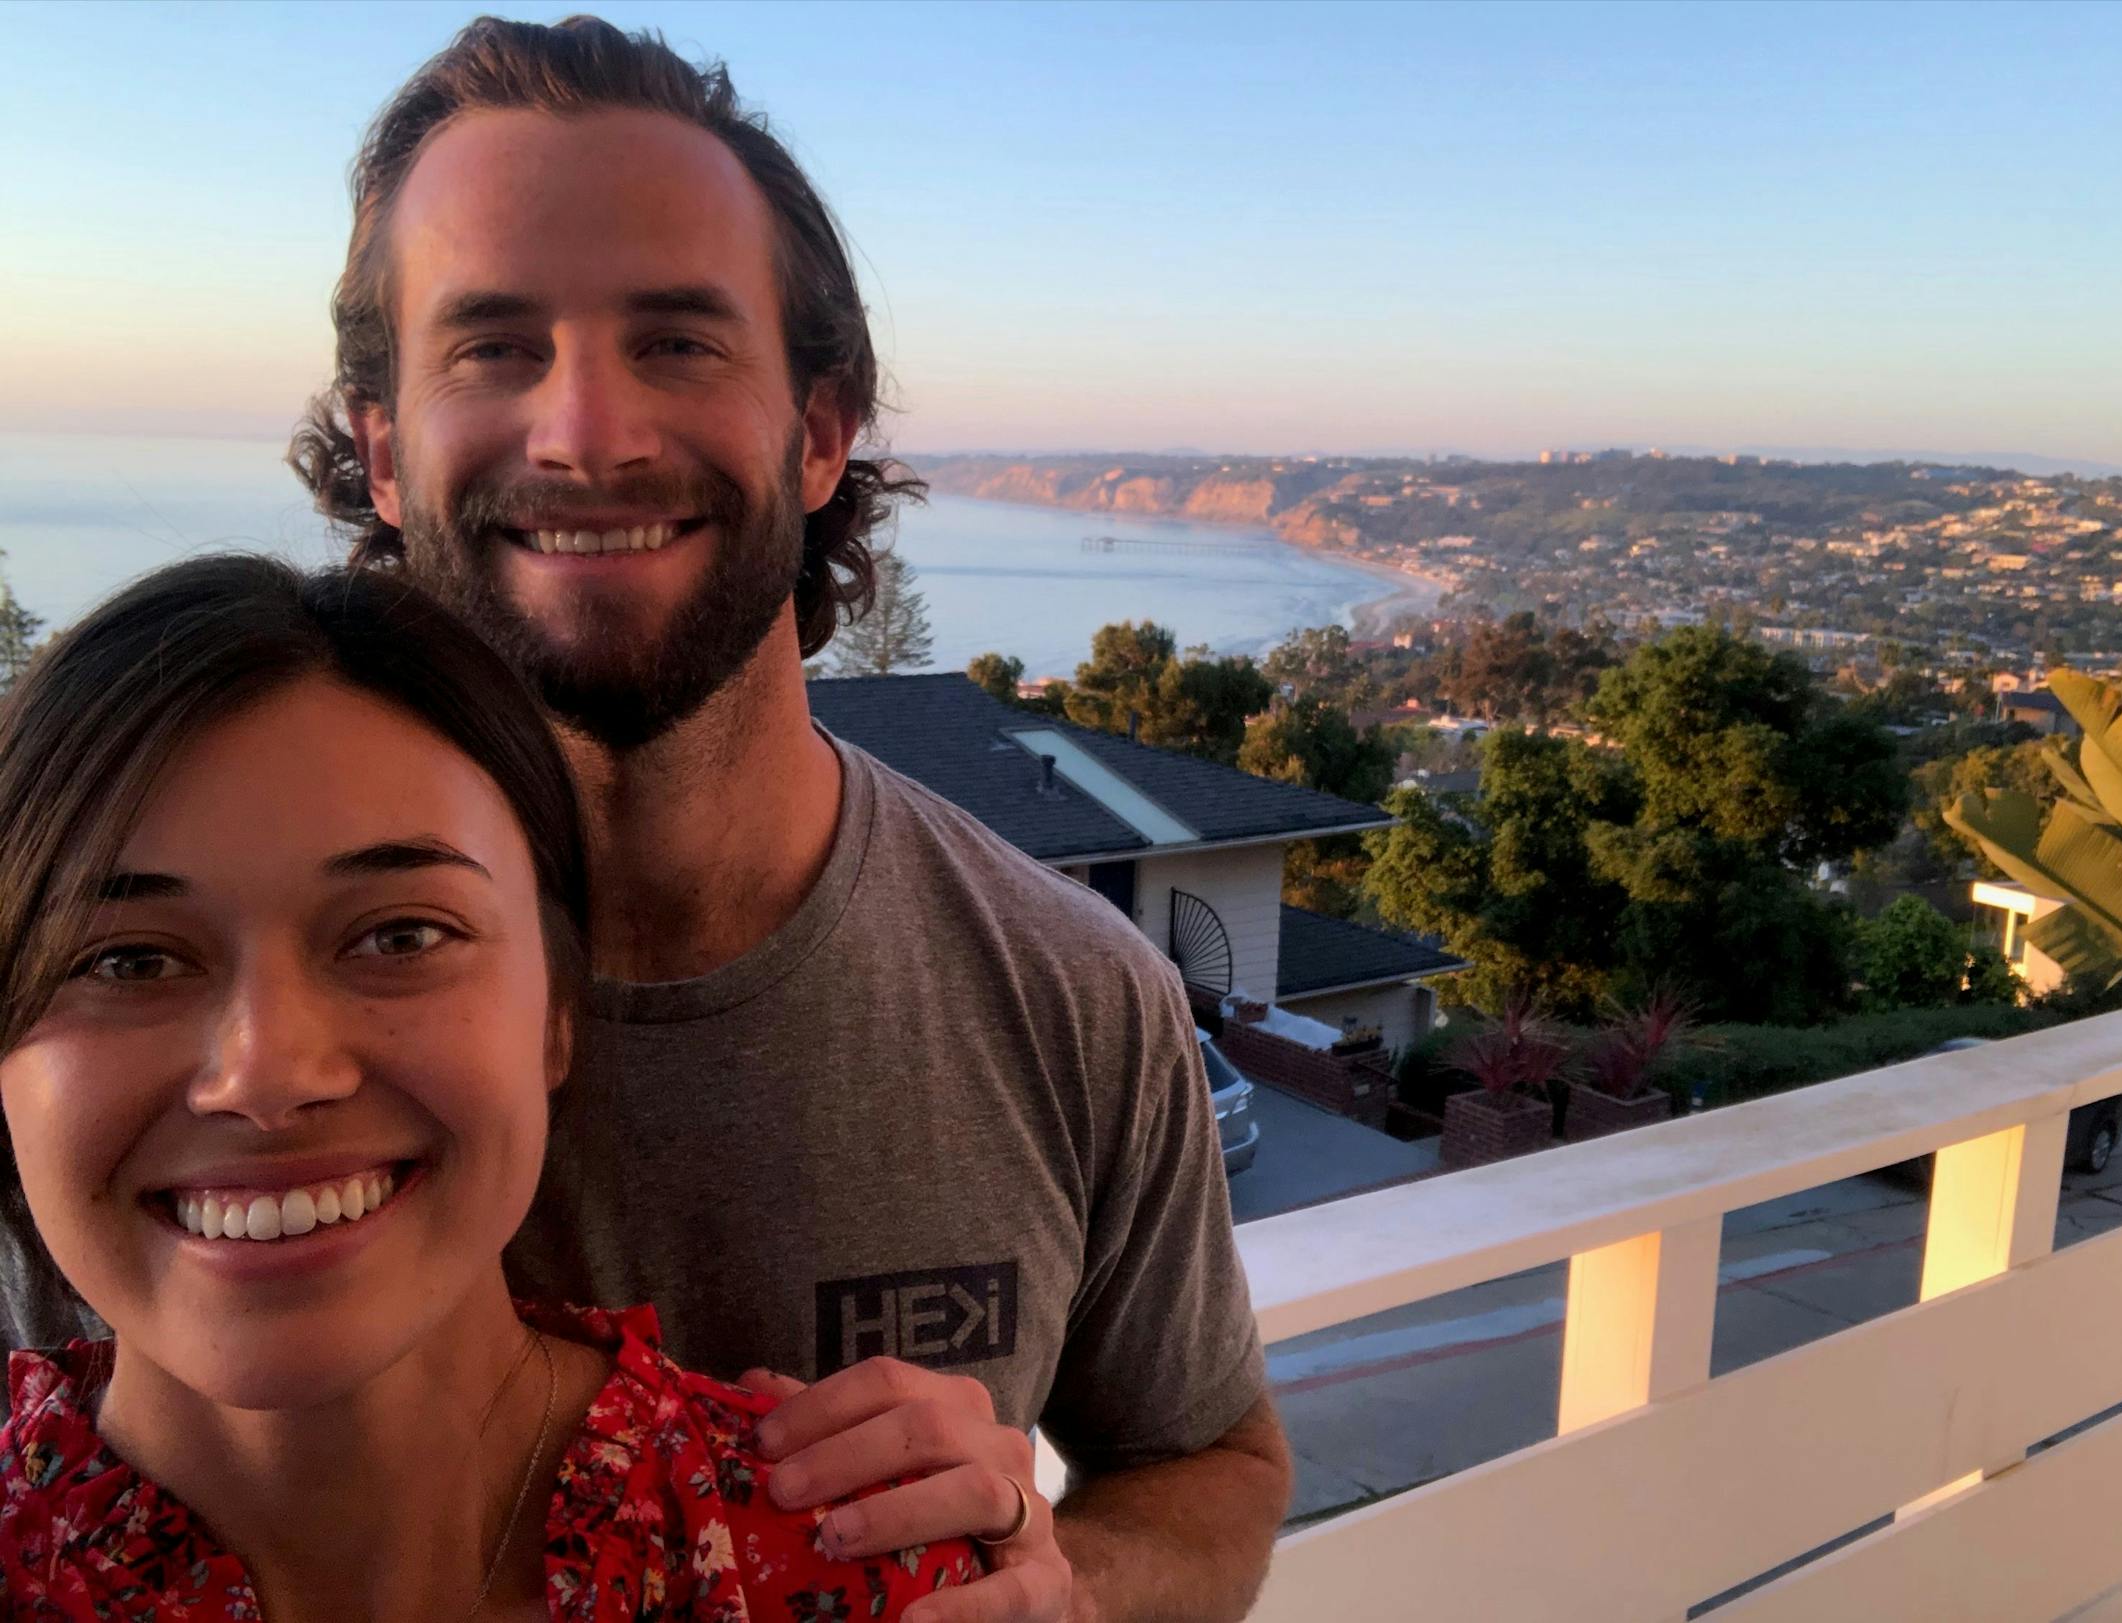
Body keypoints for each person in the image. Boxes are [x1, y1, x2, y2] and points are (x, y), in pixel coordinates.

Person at [6, 15, 1293, 1621]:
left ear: (821, 430)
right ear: (384, 447)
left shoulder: (1071, 998)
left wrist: (1060, 1587)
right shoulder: (100, 1043)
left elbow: (1215, 1460)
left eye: (679, 340)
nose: (589, 433)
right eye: (493, 345)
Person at [0, 556, 986, 1619]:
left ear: (558, 1012)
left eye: (401, 935)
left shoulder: (847, 1558)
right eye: (128, 962)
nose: (267, 1074)